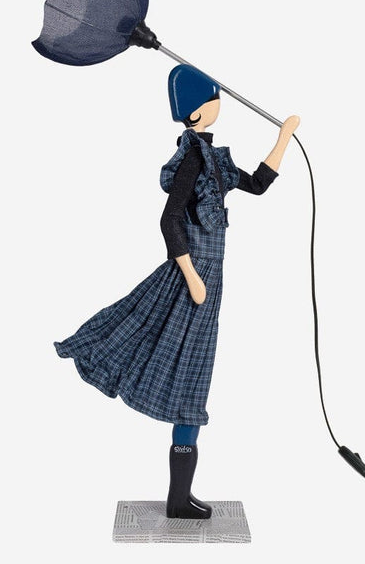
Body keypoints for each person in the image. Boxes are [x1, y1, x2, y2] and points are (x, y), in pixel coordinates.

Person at [54, 64, 300, 519]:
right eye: (213, 99)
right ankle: (178, 498)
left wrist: (283, 138)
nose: (219, 104)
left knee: (195, 380)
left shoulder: (213, 160)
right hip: (193, 281)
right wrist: (191, 275)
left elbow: (257, 184)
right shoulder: (192, 159)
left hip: (209, 282)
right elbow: (169, 219)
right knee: (180, 371)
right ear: (196, 112)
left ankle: (179, 497)